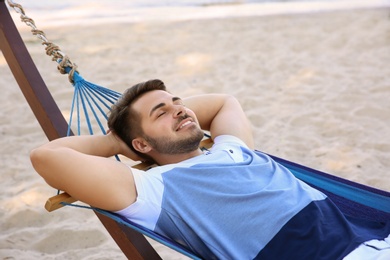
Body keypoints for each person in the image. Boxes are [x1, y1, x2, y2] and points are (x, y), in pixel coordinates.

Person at [31, 79, 390, 259]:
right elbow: (46, 158)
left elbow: (222, 102)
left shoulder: (230, 147)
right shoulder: (151, 190)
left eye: (179, 103)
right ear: (141, 145)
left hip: (374, 237)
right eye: (162, 112)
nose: (180, 110)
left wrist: (164, 115)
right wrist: (116, 142)